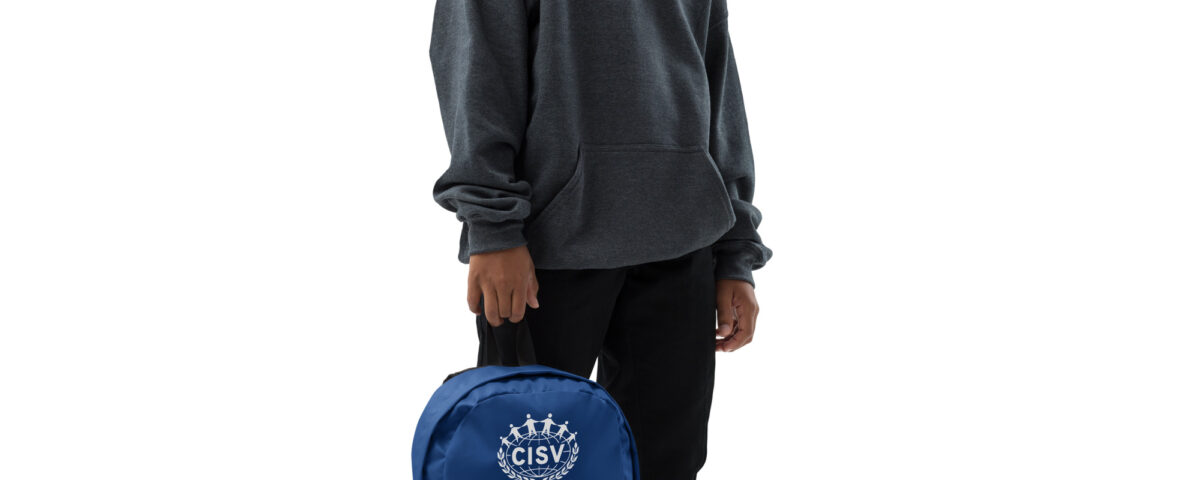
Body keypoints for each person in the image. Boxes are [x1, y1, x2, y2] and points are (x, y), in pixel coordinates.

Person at [428, 1, 772, 478]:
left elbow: (716, 70)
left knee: (667, 466)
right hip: (546, 249)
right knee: (525, 464)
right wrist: (493, 227)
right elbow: (478, 59)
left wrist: (734, 251)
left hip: (684, 239)